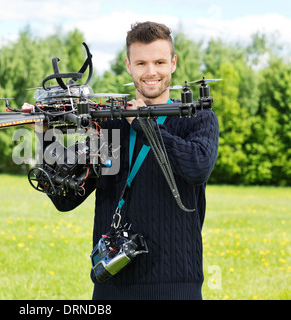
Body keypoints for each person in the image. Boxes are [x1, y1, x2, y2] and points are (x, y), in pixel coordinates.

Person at [43, 21, 219, 300]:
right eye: (141, 63)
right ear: (129, 65)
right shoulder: (111, 125)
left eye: (159, 62)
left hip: (177, 284)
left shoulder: (197, 118)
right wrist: (47, 136)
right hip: (112, 282)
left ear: (173, 63)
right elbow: (66, 199)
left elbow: (197, 167)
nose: (151, 72)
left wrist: (141, 123)